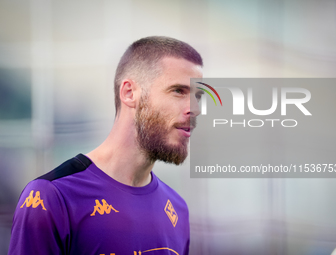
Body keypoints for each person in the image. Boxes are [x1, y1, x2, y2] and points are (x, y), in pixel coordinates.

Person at [8, 36, 204, 255]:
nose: (194, 109)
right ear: (129, 93)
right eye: (178, 91)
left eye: (198, 96)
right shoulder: (51, 196)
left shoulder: (177, 208)